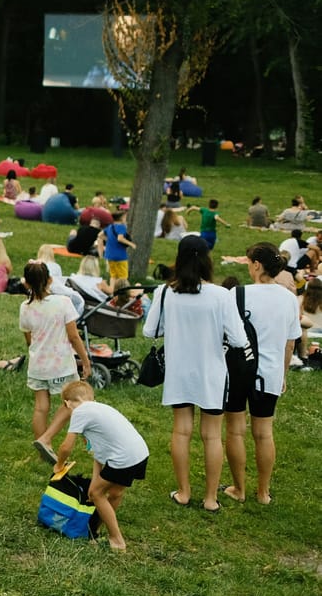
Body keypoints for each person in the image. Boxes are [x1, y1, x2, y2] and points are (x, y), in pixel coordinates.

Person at [144, 236, 247, 512]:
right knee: (212, 435)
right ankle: (211, 498)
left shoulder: (165, 293)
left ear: (178, 259)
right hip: (212, 371)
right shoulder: (221, 295)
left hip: (179, 371)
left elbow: (149, 331)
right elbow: (238, 338)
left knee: (181, 431)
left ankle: (184, 492)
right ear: (207, 259)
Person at [220, 242, 301, 505]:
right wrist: (283, 374)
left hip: (238, 371)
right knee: (264, 433)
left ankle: (238, 488)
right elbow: (291, 343)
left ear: (256, 264)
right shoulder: (289, 298)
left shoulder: (237, 294)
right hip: (270, 373)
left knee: (235, 430)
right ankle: (263, 493)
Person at [50, 380, 150, 551]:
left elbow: (66, 447)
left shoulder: (80, 411)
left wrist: (59, 465)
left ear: (67, 403)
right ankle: (93, 531)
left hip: (122, 459)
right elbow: (99, 453)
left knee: (96, 494)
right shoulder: (99, 409)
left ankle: (116, 540)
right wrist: (96, 481)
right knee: (115, 492)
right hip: (139, 454)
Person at [22, 262, 91, 458]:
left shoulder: (24, 308)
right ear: (50, 280)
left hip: (37, 365)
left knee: (41, 407)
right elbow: (74, 336)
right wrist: (85, 360)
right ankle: (46, 438)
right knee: (72, 402)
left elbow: (29, 338)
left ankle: (44, 447)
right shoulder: (63, 303)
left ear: (26, 284)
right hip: (60, 365)